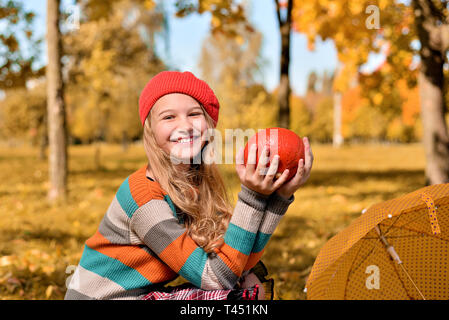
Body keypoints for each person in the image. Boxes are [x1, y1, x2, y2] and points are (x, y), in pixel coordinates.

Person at [64, 71, 313, 300]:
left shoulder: (195, 187)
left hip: (142, 295)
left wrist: (278, 198)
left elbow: (239, 263)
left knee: (249, 282)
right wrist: (252, 197)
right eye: (168, 117)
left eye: (194, 114)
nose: (184, 125)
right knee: (238, 299)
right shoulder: (143, 196)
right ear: (150, 130)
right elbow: (216, 279)